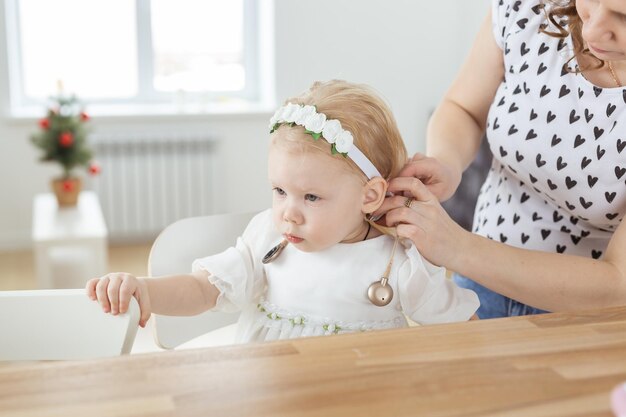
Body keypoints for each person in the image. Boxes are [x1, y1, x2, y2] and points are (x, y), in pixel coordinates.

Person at [87, 80, 479, 343]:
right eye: (279, 191)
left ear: (370, 196)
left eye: (311, 197)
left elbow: (465, 333)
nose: (289, 213)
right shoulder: (268, 238)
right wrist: (144, 291)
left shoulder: (399, 261)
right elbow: (203, 290)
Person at [375, 0, 626, 319]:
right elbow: (462, 108)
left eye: (622, 16)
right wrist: (447, 163)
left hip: (584, 316)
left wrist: (455, 247)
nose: (593, 28)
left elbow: (618, 283)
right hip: (477, 284)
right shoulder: (526, 9)